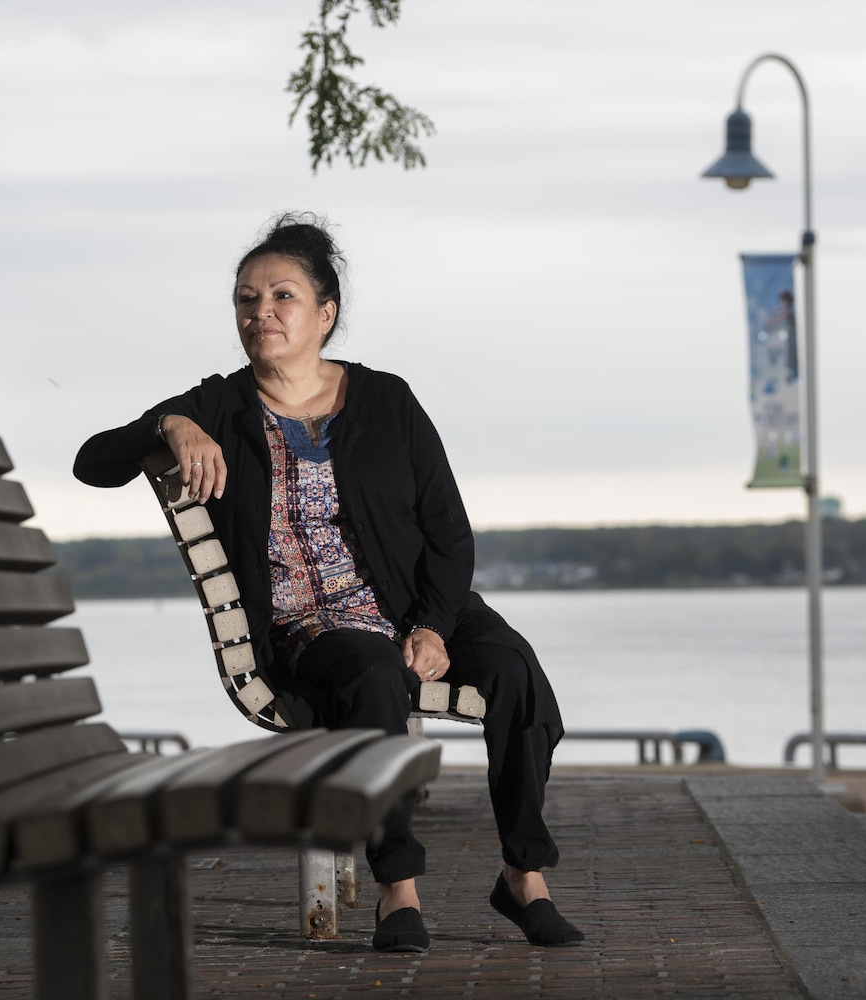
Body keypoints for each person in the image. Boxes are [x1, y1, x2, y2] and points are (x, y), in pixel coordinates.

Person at [73, 213, 583, 952]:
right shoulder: (221, 403)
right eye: (247, 300)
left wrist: (435, 625)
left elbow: (449, 531)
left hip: (422, 605)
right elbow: (94, 461)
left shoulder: (388, 401)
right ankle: (397, 892)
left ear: (326, 313)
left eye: (282, 296)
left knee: (514, 670)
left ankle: (523, 877)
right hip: (312, 625)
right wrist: (173, 426)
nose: (261, 313)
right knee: (372, 676)